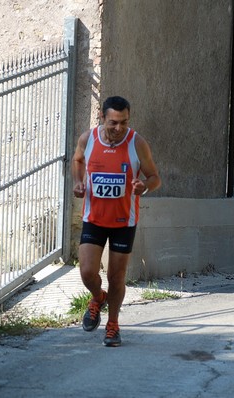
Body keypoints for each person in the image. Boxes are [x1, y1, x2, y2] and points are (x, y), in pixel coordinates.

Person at [72, 96, 161, 346]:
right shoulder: (88, 139)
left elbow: (155, 177)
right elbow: (77, 159)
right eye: (113, 123)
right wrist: (79, 182)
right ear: (102, 117)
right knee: (88, 272)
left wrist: (144, 186)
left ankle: (113, 325)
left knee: (116, 277)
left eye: (124, 122)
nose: (119, 128)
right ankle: (97, 297)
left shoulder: (137, 143)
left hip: (124, 222)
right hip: (95, 218)